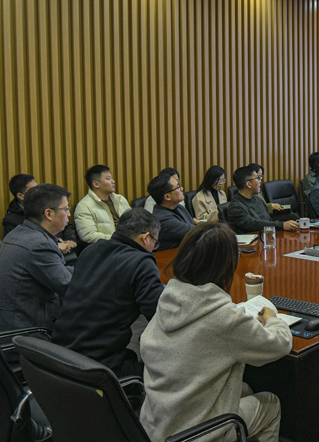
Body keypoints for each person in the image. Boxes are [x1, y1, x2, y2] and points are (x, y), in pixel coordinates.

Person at [138, 223, 292, 442]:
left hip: (155, 425)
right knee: (270, 403)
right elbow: (280, 344)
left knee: (245, 389)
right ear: (226, 265)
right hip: (198, 434)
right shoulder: (224, 317)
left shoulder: (169, 298)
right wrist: (272, 319)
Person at [51, 208, 164, 378]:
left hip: (60, 354)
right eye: (155, 243)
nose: (154, 248)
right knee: (167, 371)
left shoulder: (91, 250)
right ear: (146, 237)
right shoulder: (141, 262)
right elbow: (158, 315)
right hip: (97, 366)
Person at [0, 184, 73, 332]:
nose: (69, 214)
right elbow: (69, 286)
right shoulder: (39, 245)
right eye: (66, 209)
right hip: (28, 330)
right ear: (49, 214)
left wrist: (88, 270)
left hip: (13, 321)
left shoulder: (18, 233)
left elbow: (58, 271)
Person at [3, 174, 78, 262]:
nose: (38, 192)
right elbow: (31, 245)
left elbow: (67, 224)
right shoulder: (12, 220)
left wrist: (69, 240)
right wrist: (58, 245)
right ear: (21, 196)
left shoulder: (45, 204)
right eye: (33, 190)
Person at [227, 166, 299, 234]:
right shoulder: (236, 207)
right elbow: (254, 224)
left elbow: (268, 219)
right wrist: (282, 225)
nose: (260, 181)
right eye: (257, 178)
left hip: (267, 236)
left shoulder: (256, 198)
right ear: (248, 184)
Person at [74, 165, 131, 244]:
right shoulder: (84, 206)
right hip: (108, 246)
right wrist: (119, 240)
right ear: (96, 184)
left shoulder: (120, 199)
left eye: (111, 178)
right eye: (108, 178)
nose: (113, 181)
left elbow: (134, 222)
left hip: (129, 243)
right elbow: (88, 235)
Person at [147, 173, 194, 251]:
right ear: (167, 196)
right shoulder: (162, 219)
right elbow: (194, 232)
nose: (182, 189)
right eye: (178, 187)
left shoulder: (179, 207)